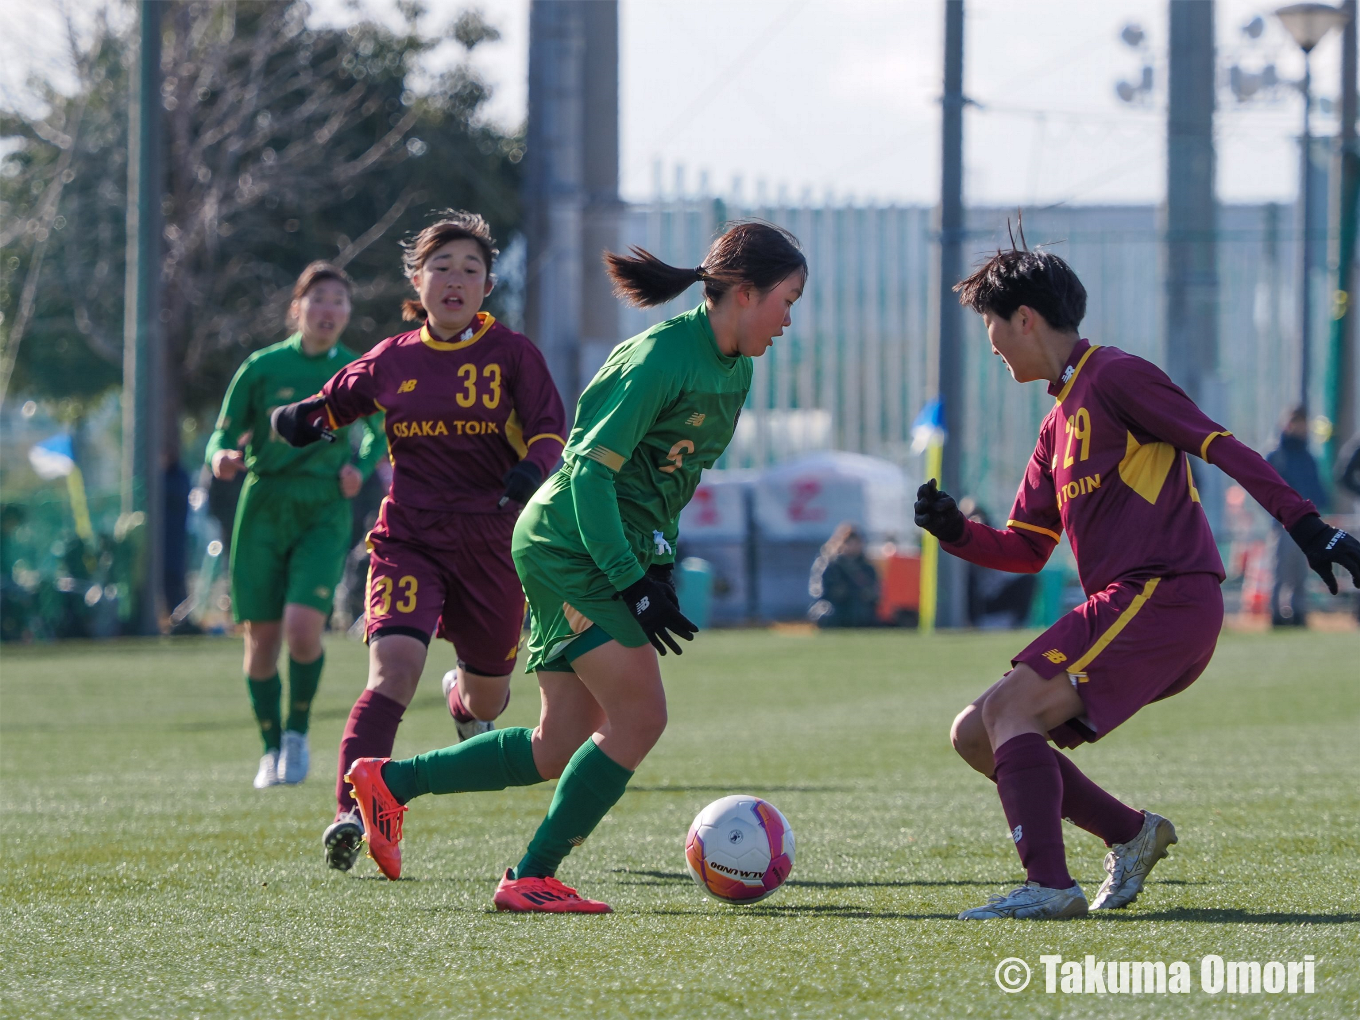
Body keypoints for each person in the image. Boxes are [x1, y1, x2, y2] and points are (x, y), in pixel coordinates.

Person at [326, 221, 807, 911]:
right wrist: (631, 580)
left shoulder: (738, 369)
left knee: (559, 744)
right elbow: (586, 475)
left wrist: (657, 564)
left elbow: (669, 478)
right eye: (787, 300)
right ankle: (531, 875)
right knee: (641, 716)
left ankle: (389, 784)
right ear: (745, 292)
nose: (789, 321)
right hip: (569, 542)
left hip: (591, 546)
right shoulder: (662, 358)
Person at [914, 244, 1360, 921]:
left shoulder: (1115, 375)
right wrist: (954, 532)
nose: (993, 344)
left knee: (1010, 712)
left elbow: (1221, 445)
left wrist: (1306, 524)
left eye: (992, 326)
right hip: (1129, 606)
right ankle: (1130, 833)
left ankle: (1050, 887)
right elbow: (1027, 549)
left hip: (1165, 594)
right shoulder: (1056, 424)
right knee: (976, 733)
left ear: (1025, 318)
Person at [270, 211, 568, 873]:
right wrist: (302, 420)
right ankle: (353, 809)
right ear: (417, 280)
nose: (455, 280)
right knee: (392, 672)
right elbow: (336, 402)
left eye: (470, 269)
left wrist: (528, 471)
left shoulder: (514, 355)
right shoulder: (393, 358)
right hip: (409, 536)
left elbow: (552, 430)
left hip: (491, 542)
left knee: (492, 698)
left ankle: (461, 699)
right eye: (442, 267)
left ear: (488, 285)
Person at [206, 262, 387, 790]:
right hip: (264, 504)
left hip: (325, 507)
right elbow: (223, 433)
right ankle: (269, 748)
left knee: (302, 628)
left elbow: (380, 430)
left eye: (339, 301)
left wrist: (360, 464)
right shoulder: (261, 368)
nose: (329, 310)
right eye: (319, 299)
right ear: (297, 307)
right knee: (261, 642)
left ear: (348, 313)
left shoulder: (356, 369)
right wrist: (220, 456)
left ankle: (298, 735)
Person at [1265, 407, 1328, 626]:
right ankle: (1276, 614)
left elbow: (1317, 490)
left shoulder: (1308, 456)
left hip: (1306, 523)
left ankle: (1298, 613)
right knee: (1280, 570)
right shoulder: (1276, 455)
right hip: (1282, 522)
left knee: (1300, 571)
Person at [808, 522, 881, 627]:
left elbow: (873, 592)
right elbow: (819, 591)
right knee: (825, 613)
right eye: (849, 543)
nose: (854, 547)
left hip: (858, 609)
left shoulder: (866, 567)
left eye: (857, 543)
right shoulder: (829, 564)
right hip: (834, 607)